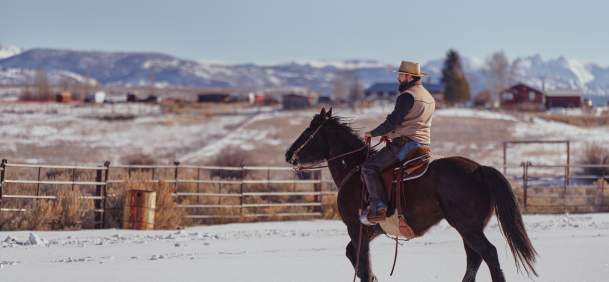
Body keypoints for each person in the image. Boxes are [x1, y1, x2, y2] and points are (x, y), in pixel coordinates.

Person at [361, 61, 436, 225]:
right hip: (423, 144)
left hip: (406, 144)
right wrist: (391, 133)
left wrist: (372, 133)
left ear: (409, 77)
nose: (398, 78)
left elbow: (393, 121)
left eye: (401, 75)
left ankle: (378, 207)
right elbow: (413, 122)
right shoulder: (428, 96)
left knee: (369, 167)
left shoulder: (408, 95)